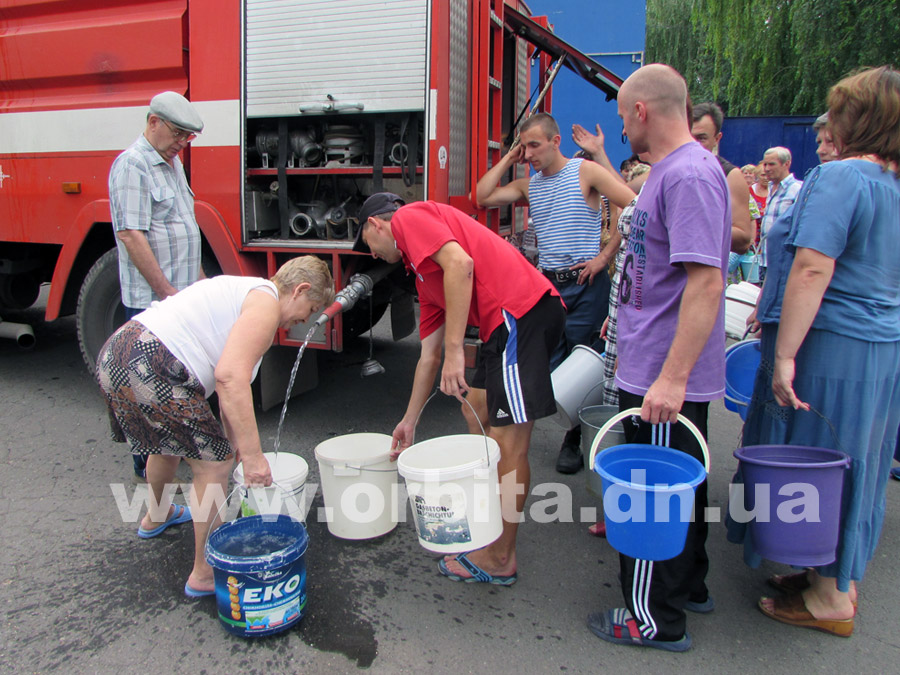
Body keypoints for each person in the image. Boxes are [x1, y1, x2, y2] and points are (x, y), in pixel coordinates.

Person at [727, 66, 900, 638]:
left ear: (862, 118)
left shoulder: (841, 177)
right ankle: (833, 574)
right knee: (858, 459)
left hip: (830, 343)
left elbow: (812, 266)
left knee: (819, 456)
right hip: (876, 347)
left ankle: (830, 597)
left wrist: (785, 356)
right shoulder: (891, 182)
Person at [585, 64, 730, 652]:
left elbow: (706, 284)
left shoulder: (688, 174)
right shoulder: (674, 172)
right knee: (681, 490)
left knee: (650, 497)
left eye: (622, 116)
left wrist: (670, 381)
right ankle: (687, 587)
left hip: (663, 379)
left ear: (641, 110)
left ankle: (652, 619)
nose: (622, 128)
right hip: (654, 368)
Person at [353, 192, 565, 586]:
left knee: (508, 442)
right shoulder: (424, 276)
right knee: (475, 411)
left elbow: (462, 265)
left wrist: (456, 353)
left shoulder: (408, 217)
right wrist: (409, 421)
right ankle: (489, 527)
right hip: (501, 325)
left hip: (520, 313)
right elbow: (428, 356)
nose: (374, 255)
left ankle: (500, 557)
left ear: (375, 225)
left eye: (368, 245)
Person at [97, 256, 335, 597]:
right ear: (301, 289)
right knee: (215, 465)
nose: (304, 318)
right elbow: (229, 378)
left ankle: (157, 515)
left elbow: (228, 388)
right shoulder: (266, 303)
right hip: (153, 362)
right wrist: (251, 458)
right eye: (310, 308)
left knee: (170, 445)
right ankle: (205, 573)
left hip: (120, 353)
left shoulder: (244, 294)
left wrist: (236, 439)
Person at [475, 113, 635, 475]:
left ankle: (575, 440)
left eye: (534, 145)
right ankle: (559, 427)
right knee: (553, 365)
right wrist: (508, 156)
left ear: (556, 141)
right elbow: (482, 196)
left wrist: (604, 257)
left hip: (585, 282)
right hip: (548, 287)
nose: (529, 153)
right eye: (524, 146)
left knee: (585, 364)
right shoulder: (529, 185)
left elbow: (633, 205)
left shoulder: (584, 171)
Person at [108, 91, 206, 482]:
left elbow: (185, 229)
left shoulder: (172, 162)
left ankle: (171, 455)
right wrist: (166, 291)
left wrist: (200, 285)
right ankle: (147, 473)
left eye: (188, 136)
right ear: (153, 122)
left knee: (178, 381)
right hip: (155, 302)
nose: (183, 142)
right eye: (178, 133)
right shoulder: (133, 165)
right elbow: (132, 235)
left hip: (180, 296)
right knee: (149, 389)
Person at [690, 101, 755, 254]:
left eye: (701, 138)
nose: (693, 145)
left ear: (717, 139)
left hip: (706, 269)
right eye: (689, 137)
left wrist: (693, 226)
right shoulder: (670, 168)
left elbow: (743, 239)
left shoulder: (729, 175)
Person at [758, 146, 802, 281]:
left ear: (787, 164)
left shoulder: (797, 189)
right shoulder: (770, 187)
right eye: (765, 164)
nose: (766, 169)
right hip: (764, 259)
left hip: (783, 261)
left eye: (772, 164)